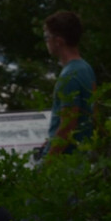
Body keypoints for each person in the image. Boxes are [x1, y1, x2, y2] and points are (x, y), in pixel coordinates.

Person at [37, 10, 96, 160]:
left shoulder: (69, 76)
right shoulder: (86, 68)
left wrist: (47, 164)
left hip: (66, 163)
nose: (46, 41)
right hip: (82, 156)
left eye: (47, 37)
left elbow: (67, 127)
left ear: (58, 41)